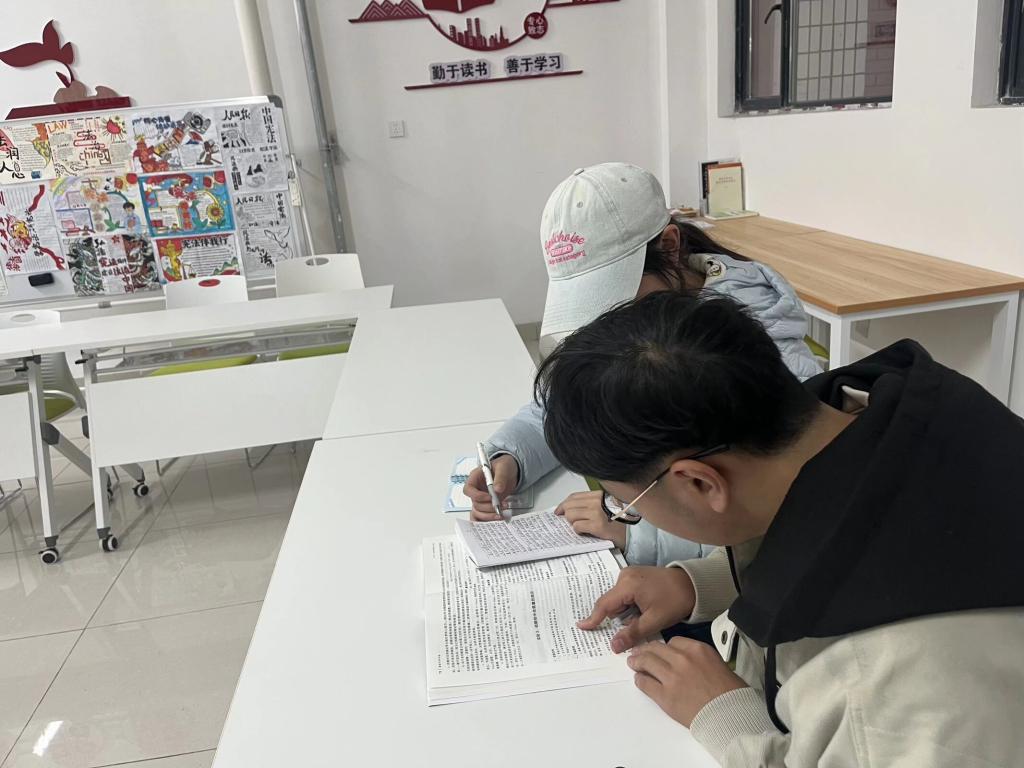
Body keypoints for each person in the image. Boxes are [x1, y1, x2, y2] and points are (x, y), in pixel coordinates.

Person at [534, 289, 1024, 767]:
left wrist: (727, 719)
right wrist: (698, 583)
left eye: (627, 505)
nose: (627, 514)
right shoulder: (877, 407)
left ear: (699, 483)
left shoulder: (876, 692)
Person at [465, 162, 820, 570]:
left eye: (615, 296)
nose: (605, 324)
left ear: (669, 246)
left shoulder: (763, 352)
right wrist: (512, 455)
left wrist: (634, 528)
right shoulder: (635, 329)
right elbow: (569, 400)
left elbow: (786, 511)